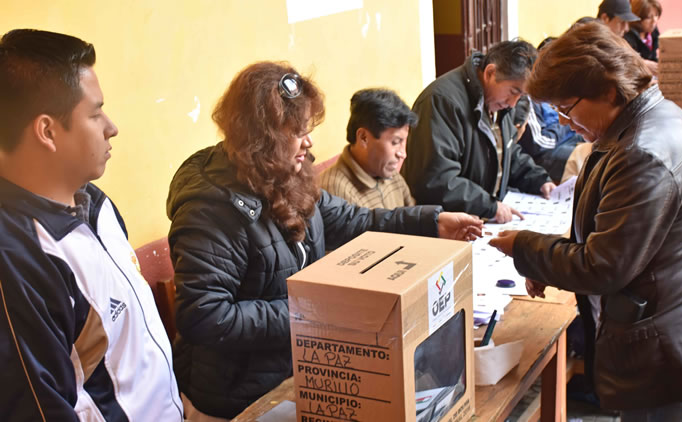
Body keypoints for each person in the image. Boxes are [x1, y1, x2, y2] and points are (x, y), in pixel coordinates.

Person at [166, 61, 483, 420]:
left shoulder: (288, 176)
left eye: (307, 128)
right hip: (240, 396)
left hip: (297, 372)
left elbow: (354, 220)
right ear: (261, 137)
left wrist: (431, 222)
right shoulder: (210, 210)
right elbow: (204, 316)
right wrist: (309, 313)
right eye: (296, 131)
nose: (309, 141)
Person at [489, 22, 682, 421]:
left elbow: (602, 266)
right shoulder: (643, 121)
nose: (565, 122)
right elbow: (615, 232)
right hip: (666, 328)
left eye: (568, 108)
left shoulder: (643, 152)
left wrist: (525, 247)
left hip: (665, 348)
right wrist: (550, 260)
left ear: (609, 90)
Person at [0, 29, 183, 420]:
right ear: (47, 131)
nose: (111, 127)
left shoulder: (94, 203)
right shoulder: (19, 261)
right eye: (95, 112)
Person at [401, 40, 555, 223]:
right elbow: (435, 178)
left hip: (481, 218)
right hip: (451, 223)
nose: (513, 103)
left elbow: (507, 153)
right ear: (490, 73)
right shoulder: (442, 101)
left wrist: (539, 180)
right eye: (513, 91)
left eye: (521, 96)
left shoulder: (498, 104)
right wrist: (489, 206)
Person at [319, 88, 417, 208]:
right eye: (396, 142)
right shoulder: (336, 192)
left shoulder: (389, 173)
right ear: (364, 137)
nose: (403, 154)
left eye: (404, 142)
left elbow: (413, 214)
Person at [516, 38, 584, 183]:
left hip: (565, 139)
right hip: (546, 153)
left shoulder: (559, 88)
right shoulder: (527, 94)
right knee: (587, 163)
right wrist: (567, 125)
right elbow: (539, 144)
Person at [624, 0, 662, 75]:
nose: (654, 21)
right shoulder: (628, 37)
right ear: (638, 18)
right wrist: (642, 63)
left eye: (656, 15)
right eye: (649, 17)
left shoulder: (653, 32)